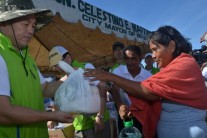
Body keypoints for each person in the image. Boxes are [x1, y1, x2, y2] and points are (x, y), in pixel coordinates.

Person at [84, 25, 207, 138]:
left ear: (171, 46)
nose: (153, 56)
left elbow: (148, 92)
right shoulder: (170, 68)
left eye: (155, 49)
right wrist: (121, 105)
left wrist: (110, 76)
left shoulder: (184, 64)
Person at [0, 1, 73, 138]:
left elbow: (44, 89)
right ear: (3, 23)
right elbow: (3, 112)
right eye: (26, 24)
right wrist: (49, 115)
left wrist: (71, 78)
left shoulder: (27, 58)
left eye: (33, 25)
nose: (31, 30)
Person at [49, 46, 111, 138]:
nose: (58, 67)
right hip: (79, 126)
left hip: (96, 123)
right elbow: (60, 102)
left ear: (68, 58)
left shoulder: (85, 68)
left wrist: (100, 116)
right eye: (55, 65)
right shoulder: (64, 80)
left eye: (59, 63)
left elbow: (102, 87)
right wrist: (52, 117)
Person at [111, 45, 154, 137]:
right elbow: (114, 89)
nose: (129, 62)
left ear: (140, 58)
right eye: (126, 59)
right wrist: (120, 105)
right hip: (124, 114)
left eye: (133, 58)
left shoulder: (148, 76)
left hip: (142, 115)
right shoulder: (118, 71)